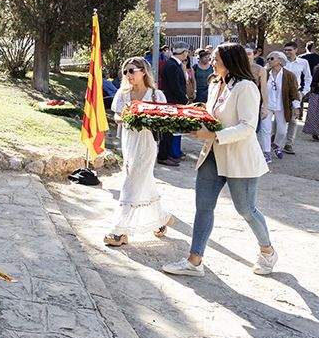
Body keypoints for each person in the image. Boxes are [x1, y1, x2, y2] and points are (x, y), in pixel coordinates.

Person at [163, 42, 278, 277]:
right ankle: (194, 261)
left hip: (240, 159)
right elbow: (211, 116)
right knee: (203, 207)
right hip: (212, 155)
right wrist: (190, 123)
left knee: (246, 209)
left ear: (230, 61)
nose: (211, 62)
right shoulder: (215, 84)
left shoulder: (246, 87)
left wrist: (214, 134)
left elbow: (248, 127)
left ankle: (267, 251)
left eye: (216, 58)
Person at [104, 57, 172, 247]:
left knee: (130, 182)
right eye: (125, 72)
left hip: (147, 143)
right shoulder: (123, 94)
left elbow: (163, 118)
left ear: (143, 72)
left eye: (131, 70)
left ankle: (118, 231)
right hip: (129, 141)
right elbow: (117, 114)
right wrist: (123, 117)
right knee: (143, 181)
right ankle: (162, 218)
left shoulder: (156, 95)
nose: (128, 75)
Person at [261, 52, 300, 160]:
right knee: (266, 130)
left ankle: (276, 144)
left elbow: (294, 92)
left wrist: (296, 107)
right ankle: (266, 152)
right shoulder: (265, 73)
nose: (269, 60)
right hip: (266, 106)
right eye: (268, 58)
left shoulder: (289, 75)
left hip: (282, 106)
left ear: (280, 61)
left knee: (282, 131)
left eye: (272, 58)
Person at [157, 44, 189, 166]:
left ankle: (168, 154)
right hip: (172, 102)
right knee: (167, 131)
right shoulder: (172, 66)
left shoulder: (174, 64)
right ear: (184, 52)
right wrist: (184, 99)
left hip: (173, 101)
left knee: (170, 131)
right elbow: (175, 86)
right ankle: (163, 156)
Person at [280, 42, 311, 154]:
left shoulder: (303, 62)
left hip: (295, 93)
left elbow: (308, 77)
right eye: (286, 50)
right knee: (279, 116)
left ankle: (289, 144)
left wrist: (304, 92)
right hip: (280, 92)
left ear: (296, 50)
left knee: (293, 119)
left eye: (290, 50)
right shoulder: (281, 61)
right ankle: (276, 141)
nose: (288, 52)